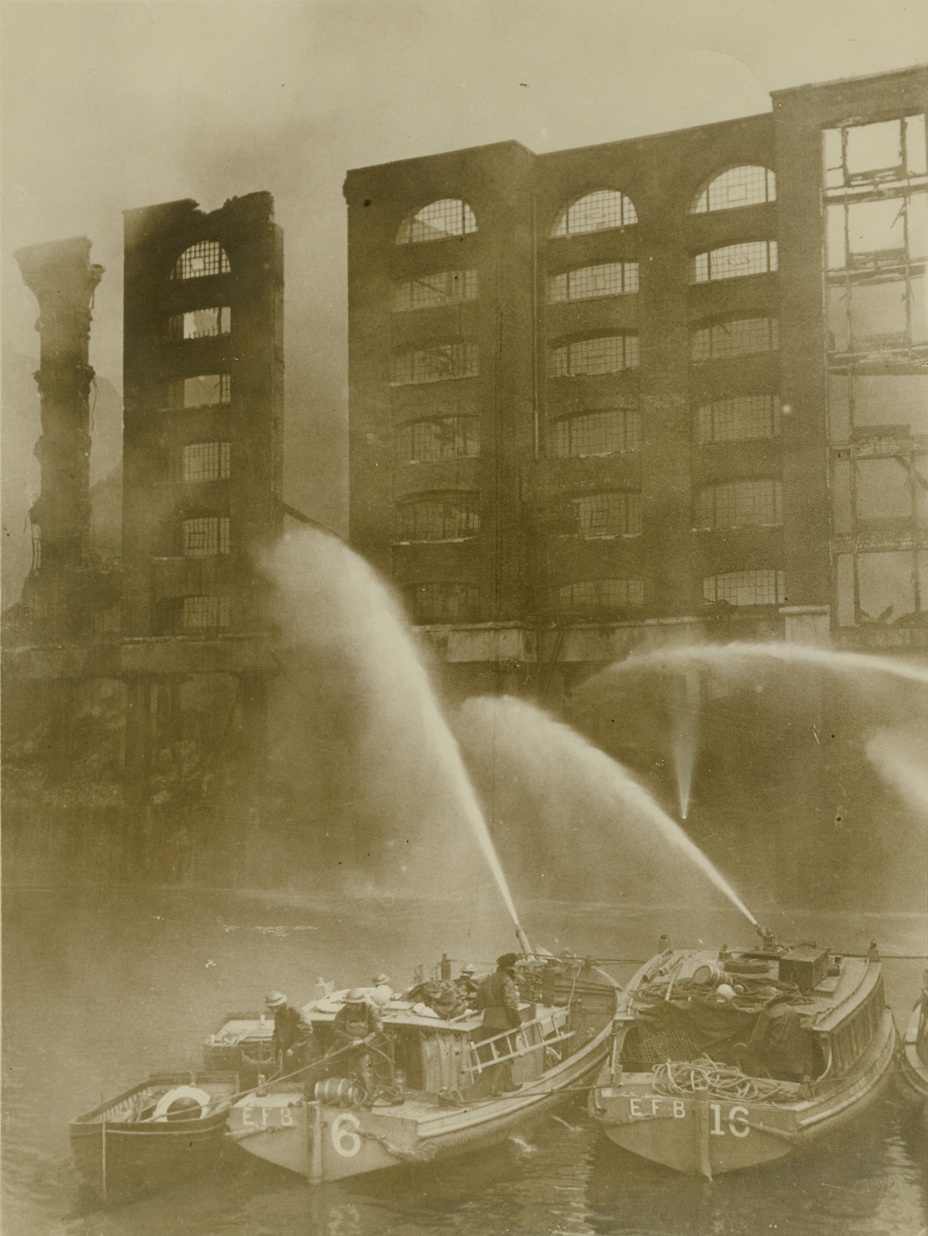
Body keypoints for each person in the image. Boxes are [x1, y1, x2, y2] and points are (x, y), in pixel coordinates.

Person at [475, 953, 523, 1094]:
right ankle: (495, 1088)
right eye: (515, 966)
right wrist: (518, 1022)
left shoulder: (488, 979)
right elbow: (510, 1004)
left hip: (488, 1021)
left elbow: (479, 1002)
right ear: (511, 967)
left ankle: (507, 1084)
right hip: (504, 1023)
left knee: (496, 1054)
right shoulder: (507, 981)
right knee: (507, 1054)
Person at [331, 988, 385, 1099]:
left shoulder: (371, 1010)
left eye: (354, 1005)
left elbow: (378, 1031)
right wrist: (351, 1039)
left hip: (366, 1047)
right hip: (347, 1043)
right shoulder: (344, 1011)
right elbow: (336, 1029)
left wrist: (362, 1041)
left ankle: (368, 1098)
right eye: (349, 1004)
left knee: (364, 1068)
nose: (351, 1007)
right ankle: (311, 1093)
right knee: (327, 1059)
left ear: (361, 1003)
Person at [265, 991, 314, 1078]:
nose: (272, 1010)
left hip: (304, 1050)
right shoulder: (278, 1017)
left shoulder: (296, 1013)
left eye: (274, 1007)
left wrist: (293, 1048)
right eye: (270, 1008)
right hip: (289, 1053)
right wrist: (273, 1054)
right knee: (289, 1077)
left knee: (305, 1077)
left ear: (281, 1005)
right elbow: (276, 1035)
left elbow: (307, 1031)